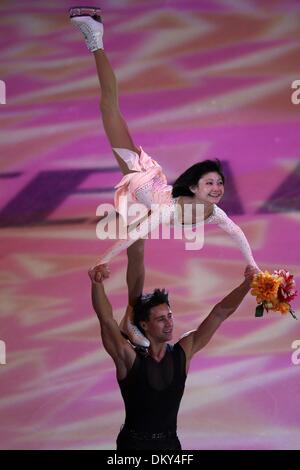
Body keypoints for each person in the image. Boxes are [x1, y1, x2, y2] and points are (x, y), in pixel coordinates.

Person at [70, 7, 260, 347]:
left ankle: (130, 317)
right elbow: (136, 232)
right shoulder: (169, 211)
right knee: (108, 107)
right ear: (193, 187)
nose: (217, 188)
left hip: (150, 189)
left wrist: (252, 265)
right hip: (138, 175)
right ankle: (95, 38)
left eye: (219, 183)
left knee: (138, 254)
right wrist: (103, 259)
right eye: (210, 183)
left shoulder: (214, 213)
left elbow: (238, 233)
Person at [88, 238, 258, 450]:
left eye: (170, 316)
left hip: (170, 446)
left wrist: (246, 286)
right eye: (161, 319)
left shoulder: (183, 351)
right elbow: (106, 320)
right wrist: (97, 283)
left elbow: (219, 314)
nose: (169, 323)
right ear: (144, 324)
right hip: (132, 447)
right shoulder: (128, 357)